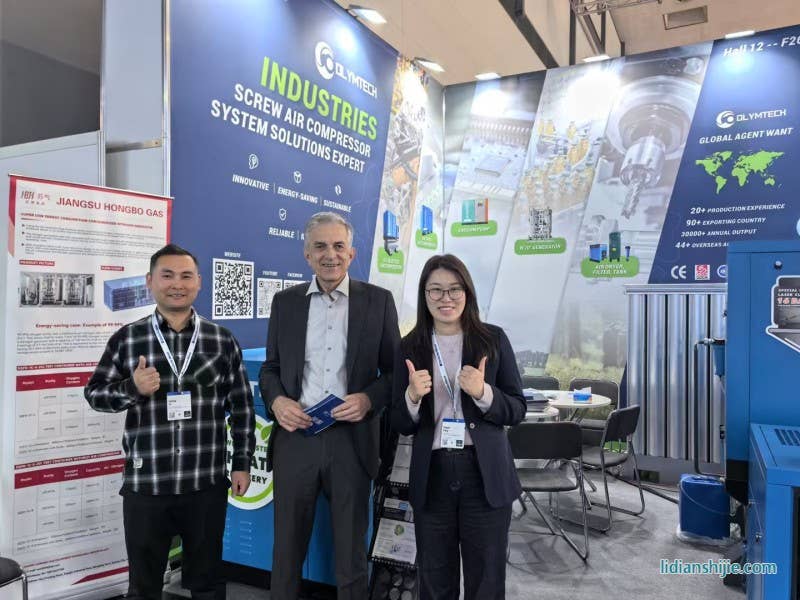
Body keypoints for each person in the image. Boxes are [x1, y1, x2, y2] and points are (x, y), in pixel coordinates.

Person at [85, 244, 255, 600]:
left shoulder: (221, 340)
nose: (177, 284)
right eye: (167, 275)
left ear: (199, 282)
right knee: (144, 587)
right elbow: (95, 394)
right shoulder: (128, 339)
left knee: (207, 583)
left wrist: (241, 463)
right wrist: (132, 388)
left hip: (205, 483)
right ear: (150, 281)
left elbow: (241, 407)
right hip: (148, 483)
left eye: (186, 276)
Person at [259, 212, 399, 600]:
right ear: (307, 254)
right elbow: (270, 369)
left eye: (338, 246)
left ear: (351, 253)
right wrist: (277, 401)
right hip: (296, 438)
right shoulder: (285, 303)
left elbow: (393, 373)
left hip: (351, 441)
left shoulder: (378, 302)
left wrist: (368, 399)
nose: (330, 255)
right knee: (287, 552)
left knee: (351, 554)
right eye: (320, 246)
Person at [391, 253, 525, 600]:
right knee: (435, 580)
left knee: (486, 580)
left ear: (467, 292)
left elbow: (517, 409)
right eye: (435, 290)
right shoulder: (410, 346)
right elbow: (400, 422)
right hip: (433, 474)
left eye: (454, 289)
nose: (445, 298)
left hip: (484, 473)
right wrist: (411, 397)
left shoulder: (492, 340)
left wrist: (483, 393)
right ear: (424, 296)